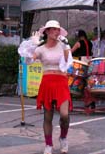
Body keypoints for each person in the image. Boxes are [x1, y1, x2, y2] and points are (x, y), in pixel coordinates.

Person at [32, 20, 72, 154]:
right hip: (47, 82)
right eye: (54, 30)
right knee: (48, 116)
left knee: (64, 115)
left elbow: (67, 61)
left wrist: (67, 47)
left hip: (61, 81)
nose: (56, 32)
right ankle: (48, 144)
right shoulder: (41, 48)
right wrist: (32, 44)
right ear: (47, 32)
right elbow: (29, 58)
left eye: (58, 30)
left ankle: (63, 137)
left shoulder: (63, 46)